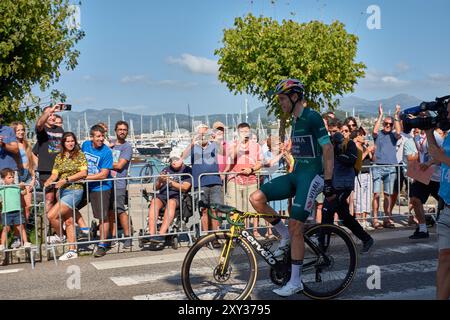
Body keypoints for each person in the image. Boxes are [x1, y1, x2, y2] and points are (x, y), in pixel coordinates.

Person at [250, 79, 334, 297]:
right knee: (256, 198)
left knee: (297, 225)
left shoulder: (312, 116)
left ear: (295, 96)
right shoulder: (294, 121)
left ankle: (295, 281)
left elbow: (327, 147)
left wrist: (328, 180)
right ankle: (283, 235)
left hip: (312, 176)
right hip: (297, 174)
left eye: (282, 99)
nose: (280, 103)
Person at [322, 129, 374, 254]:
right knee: (344, 217)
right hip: (334, 185)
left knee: (327, 211)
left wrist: (338, 152)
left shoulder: (349, 144)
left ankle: (322, 245)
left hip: (344, 185)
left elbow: (351, 160)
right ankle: (366, 238)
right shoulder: (329, 145)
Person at [43, 132, 88, 260]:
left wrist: (67, 179)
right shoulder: (59, 157)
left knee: (51, 215)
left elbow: (83, 173)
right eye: (67, 141)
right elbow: (55, 174)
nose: (70, 143)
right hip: (62, 191)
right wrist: (48, 181)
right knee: (68, 221)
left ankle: (61, 236)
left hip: (75, 190)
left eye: (72, 141)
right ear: (63, 143)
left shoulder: (80, 155)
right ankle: (72, 250)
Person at [76, 125, 113, 258]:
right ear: (92, 137)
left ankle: (102, 245)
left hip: (101, 187)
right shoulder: (85, 145)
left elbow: (103, 174)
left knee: (102, 217)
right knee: (69, 207)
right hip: (85, 185)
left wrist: (85, 177)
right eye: (98, 136)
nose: (101, 139)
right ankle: (84, 229)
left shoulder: (107, 152)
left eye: (102, 136)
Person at [181, 124, 223, 239]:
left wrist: (216, 140)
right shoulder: (194, 147)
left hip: (215, 182)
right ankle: (206, 237)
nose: (203, 136)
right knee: (204, 211)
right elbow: (182, 158)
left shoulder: (214, 145)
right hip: (200, 183)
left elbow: (224, 152)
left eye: (205, 133)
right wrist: (192, 143)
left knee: (215, 210)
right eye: (201, 134)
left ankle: (215, 237)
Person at [147, 153, 192, 249]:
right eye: (172, 160)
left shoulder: (187, 171)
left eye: (176, 159)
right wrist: (160, 180)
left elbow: (185, 187)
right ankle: (151, 234)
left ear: (181, 160)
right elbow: (155, 187)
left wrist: (170, 182)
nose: (174, 162)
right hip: (162, 195)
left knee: (171, 202)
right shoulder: (166, 169)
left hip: (177, 196)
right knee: (154, 201)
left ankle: (161, 234)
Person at [226, 122, 263, 233]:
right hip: (234, 180)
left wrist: (251, 169)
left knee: (250, 208)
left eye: (246, 131)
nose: (244, 133)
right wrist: (240, 143)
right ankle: (234, 231)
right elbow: (232, 156)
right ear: (238, 132)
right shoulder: (232, 144)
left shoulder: (256, 146)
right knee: (234, 208)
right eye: (242, 131)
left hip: (250, 180)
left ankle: (249, 231)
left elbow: (260, 162)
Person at [409, 127, 444, 239]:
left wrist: (429, 163)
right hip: (425, 175)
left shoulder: (436, 136)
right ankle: (423, 229)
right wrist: (416, 173)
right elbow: (420, 155)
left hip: (437, 176)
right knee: (415, 199)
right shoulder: (417, 137)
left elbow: (441, 153)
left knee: (445, 203)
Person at [371, 104, 402, 229]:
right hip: (377, 167)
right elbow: (374, 131)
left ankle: (387, 218)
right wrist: (380, 116)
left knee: (388, 195)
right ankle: (375, 218)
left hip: (390, 168)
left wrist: (396, 116)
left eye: (390, 124)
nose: (388, 126)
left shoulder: (394, 136)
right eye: (386, 124)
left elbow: (399, 132)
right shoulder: (378, 135)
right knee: (376, 194)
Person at [34, 104, 65, 216]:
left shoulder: (60, 129)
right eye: (49, 114)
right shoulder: (42, 130)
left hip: (60, 170)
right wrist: (49, 111)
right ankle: (49, 228)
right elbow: (39, 124)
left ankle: (60, 225)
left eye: (53, 114)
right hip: (46, 171)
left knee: (61, 198)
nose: (51, 116)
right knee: (49, 198)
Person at [108, 121, 133, 249]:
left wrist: (103, 163)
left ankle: (128, 236)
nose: (122, 131)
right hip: (107, 183)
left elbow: (119, 165)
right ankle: (112, 237)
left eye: (124, 129)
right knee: (110, 211)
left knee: (120, 210)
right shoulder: (111, 146)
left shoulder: (127, 147)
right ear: (115, 131)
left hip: (119, 183)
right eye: (120, 129)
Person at [10, 122, 36, 222]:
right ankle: (19, 233)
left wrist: (33, 178)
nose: (21, 132)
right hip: (17, 174)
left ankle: (24, 230)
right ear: (13, 132)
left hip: (28, 174)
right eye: (18, 130)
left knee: (27, 206)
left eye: (22, 130)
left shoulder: (26, 143)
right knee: (19, 206)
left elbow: (31, 162)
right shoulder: (12, 145)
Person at [0, 168, 31, 251]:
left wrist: (23, 187)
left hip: (17, 211)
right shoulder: (1, 188)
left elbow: (24, 193)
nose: (12, 179)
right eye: (9, 177)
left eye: (12, 177)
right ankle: (2, 244)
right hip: (6, 212)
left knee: (21, 227)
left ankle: (26, 242)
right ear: (3, 179)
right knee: (6, 228)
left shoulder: (17, 186)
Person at [352, 127, 375, 230]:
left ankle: (364, 220)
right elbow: (358, 161)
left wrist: (370, 150)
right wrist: (366, 152)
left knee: (366, 198)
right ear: (357, 136)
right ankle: (358, 220)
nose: (363, 137)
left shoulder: (364, 146)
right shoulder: (354, 147)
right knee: (359, 198)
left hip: (367, 173)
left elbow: (372, 158)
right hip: (359, 174)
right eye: (361, 135)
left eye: (364, 135)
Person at [0, 113, 19, 178]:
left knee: (13, 188)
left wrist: (2, 144)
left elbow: (16, 150)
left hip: (10, 173)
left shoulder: (8, 130)